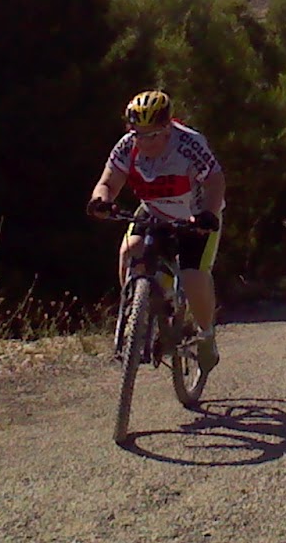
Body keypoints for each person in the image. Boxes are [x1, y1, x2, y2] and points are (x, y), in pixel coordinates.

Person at [87, 90, 226, 372]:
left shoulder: (189, 143)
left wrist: (209, 215)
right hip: (154, 211)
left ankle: (206, 335)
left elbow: (215, 180)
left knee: (193, 276)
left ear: (168, 128)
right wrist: (101, 200)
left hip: (194, 216)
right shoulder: (127, 146)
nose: (144, 142)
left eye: (152, 135)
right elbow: (109, 182)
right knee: (129, 251)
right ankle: (136, 318)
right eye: (138, 134)